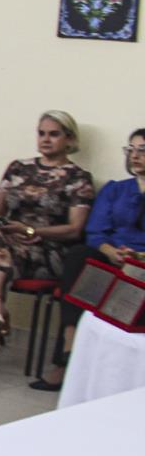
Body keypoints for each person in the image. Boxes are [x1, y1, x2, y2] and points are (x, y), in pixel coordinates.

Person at [0, 111, 92, 372]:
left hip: (49, 250)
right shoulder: (18, 168)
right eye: (41, 133)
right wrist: (9, 229)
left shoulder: (78, 178)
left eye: (54, 134)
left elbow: (75, 230)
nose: (46, 139)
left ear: (70, 139)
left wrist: (31, 231)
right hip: (9, 242)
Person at [35, 128, 145, 390]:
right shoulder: (116, 190)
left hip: (141, 265)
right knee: (79, 256)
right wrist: (111, 252)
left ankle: (116, 376)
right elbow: (95, 231)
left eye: (143, 150)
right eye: (131, 149)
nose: (135, 155)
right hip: (112, 258)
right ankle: (69, 346)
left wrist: (138, 257)